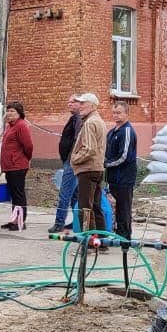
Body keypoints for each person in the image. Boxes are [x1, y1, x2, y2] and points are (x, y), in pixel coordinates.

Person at [70, 93, 107, 234]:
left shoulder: (90, 123)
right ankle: (102, 242)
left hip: (88, 169)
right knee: (96, 206)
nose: (80, 106)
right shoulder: (99, 121)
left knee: (85, 209)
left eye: (83, 103)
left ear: (92, 106)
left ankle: (89, 243)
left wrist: (74, 159)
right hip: (97, 169)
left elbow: (89, 149)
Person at [104, 100, 138, 240]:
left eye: (119, 113)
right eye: (114, 112)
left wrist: (106, 164)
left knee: (124, 209)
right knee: (114, 207)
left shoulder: (127, 131)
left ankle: (125, 238)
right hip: (113, 178)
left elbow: (124, 156)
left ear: (126, 114)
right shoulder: (112, 132)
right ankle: (116, 232)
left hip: (124, 178)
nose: (116, 115)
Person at [49, 96, 82, 234]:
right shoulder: (74, 118)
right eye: (68, 101)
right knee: (74, 194)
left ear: (81, 104)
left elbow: (78, 140)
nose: (69, 103)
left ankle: (59, 222)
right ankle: (75, 221)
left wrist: (72, 158)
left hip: (72, 162)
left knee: (65, 193)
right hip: (70, 161)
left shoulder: (79, 119)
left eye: (73, 101)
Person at [0, 101, 33, 230]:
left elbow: (28, 146)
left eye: (12, 111)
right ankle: (14, 219)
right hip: (9, 166)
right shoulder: (10, 126)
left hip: (18, 166)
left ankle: (20, 222)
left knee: (18, 194)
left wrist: (25, 158)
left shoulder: (21, 126)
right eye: (8, 110)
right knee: (13, 194)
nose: (9, 113)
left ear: (19, 113)